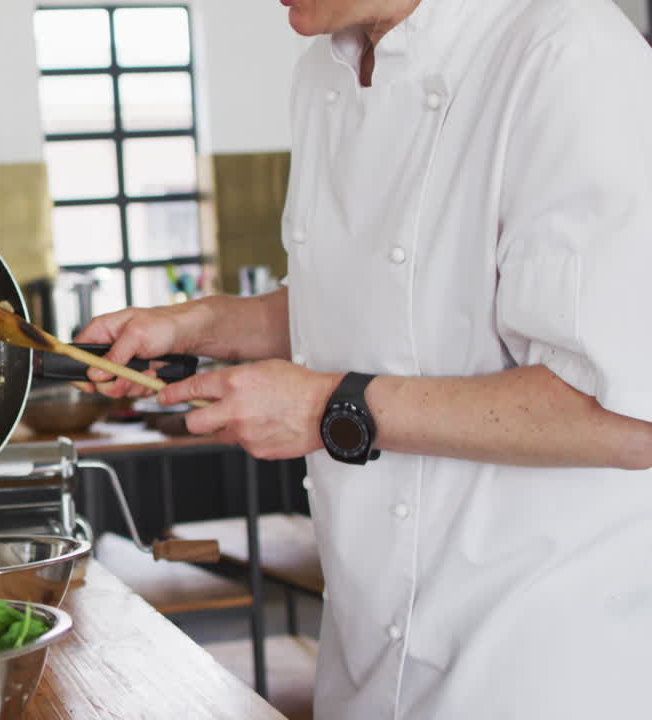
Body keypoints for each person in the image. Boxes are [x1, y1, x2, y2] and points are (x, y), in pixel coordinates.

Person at [77, 0, 652, 717]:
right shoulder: (324, 73)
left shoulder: (566, 51)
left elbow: (630, 417)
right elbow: (375, 304)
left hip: (534, 655)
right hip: (364, 650)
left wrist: (323, 409)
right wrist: (198, 323)